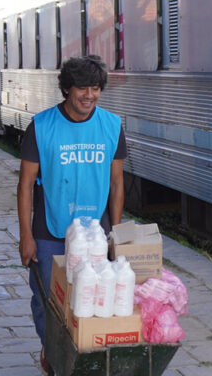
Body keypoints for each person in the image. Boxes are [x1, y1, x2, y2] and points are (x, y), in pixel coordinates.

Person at [17, 55, 126, 373]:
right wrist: (26, 236)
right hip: (50, 231)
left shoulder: (111, 126)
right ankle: (52, 351)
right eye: (82, 88)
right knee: (47, 301)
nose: (89, 95)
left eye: (95, 88)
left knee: (92, 298)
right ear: (67, 89)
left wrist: (116, 232)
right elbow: (25, 186)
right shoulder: (41, 126)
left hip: (96, 232)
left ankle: (83, 358)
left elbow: (117, 183)